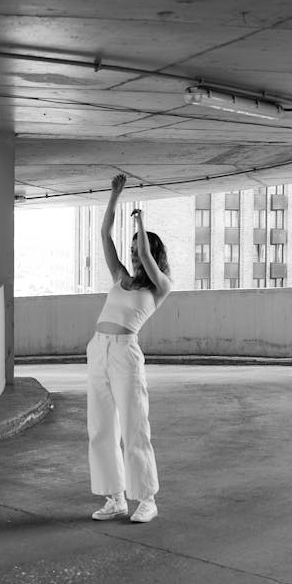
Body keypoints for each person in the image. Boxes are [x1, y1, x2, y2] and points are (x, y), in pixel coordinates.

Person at [87, 173, 172, 523]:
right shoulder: (120, 277)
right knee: (101, 427)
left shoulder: (160, 286)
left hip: (125, 353)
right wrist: (115, 195)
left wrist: (141, 223)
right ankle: (116, 497)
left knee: (135, 426)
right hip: (98, 350)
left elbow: (147, 260)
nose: (136, 256)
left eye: (141, 249)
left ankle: (147, 499)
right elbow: (105, 235)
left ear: (152, 253)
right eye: (135, 249)